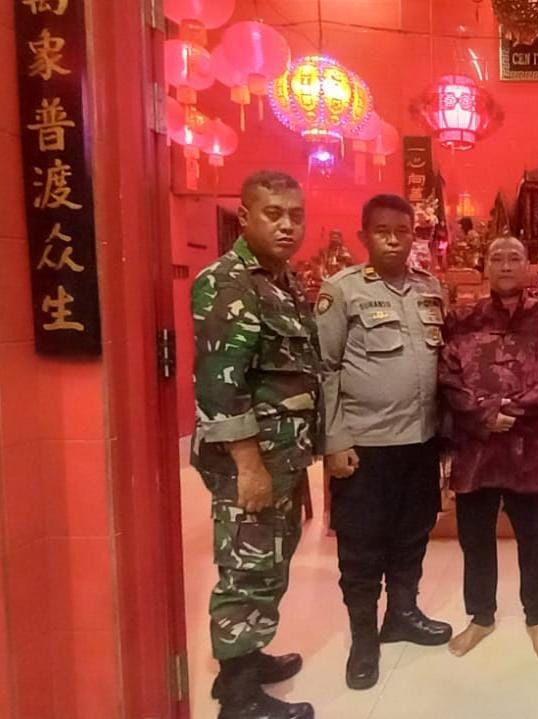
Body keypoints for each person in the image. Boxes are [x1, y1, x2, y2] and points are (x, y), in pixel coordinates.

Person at [191, 170, 316, 719]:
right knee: (246, 567)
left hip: (282, 454)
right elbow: (221, 386)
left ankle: (245, 659)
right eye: (274, 214)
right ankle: (239, 700)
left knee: (271, 560)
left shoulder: (281, 281)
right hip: (252, 460)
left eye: (296, 215)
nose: (288, 225)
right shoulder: (228, 282)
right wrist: (249, 466)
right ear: (245, 217)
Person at [316, 194, 452, 691]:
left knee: (413, 533)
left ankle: (402, 614)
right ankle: (363, 638)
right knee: (362, 546)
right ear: (364, 236)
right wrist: (335, 439)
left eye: (402, 230)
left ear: (414, 234)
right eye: (382, 231)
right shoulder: (343, 290)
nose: (394, 240)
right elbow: (325, 369)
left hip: (420, 440)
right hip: (365, 445)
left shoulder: (429, 289)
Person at [439, 236, 538, 659]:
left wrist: (514, 409)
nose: (505, 265)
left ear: (528, 265)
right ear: (485, 266)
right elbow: (447, 376)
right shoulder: (462, 318)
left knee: (534, 540)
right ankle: (481, 617)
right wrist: (483, 414)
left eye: (514, 257)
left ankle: (536, 617)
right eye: (496, 258)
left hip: (530, 447)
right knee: (475, 539)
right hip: (476, 449)